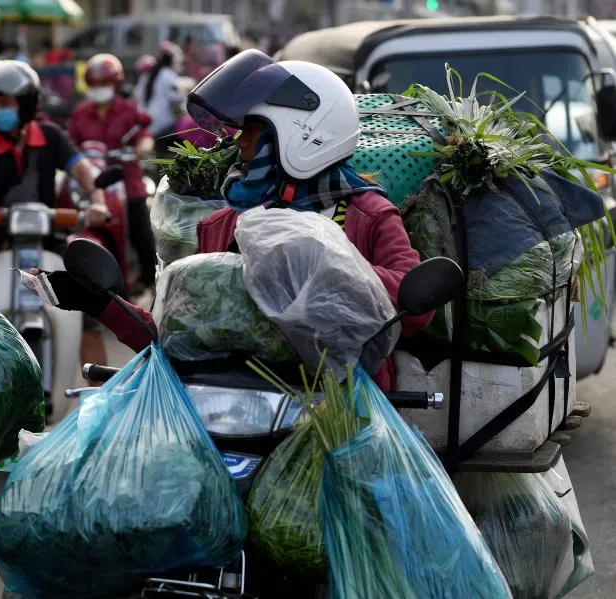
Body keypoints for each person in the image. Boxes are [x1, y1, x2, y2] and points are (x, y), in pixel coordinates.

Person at [37, 50, 432, 392]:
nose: (238, 142)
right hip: (231, 414)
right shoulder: (222, 225)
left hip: (344, 408)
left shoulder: (367, 214)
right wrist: (100, 302)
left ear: (305, 133)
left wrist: (318, 265)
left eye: (253, 129)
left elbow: (417, 310)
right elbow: (175, 333)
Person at [0, 60, 110, 367]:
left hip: (50, 240)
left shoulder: (51, 137)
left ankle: (100, 395)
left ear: (27, 103)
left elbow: (83, 171)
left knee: (91, 304)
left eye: (4, 102)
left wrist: (98, 201)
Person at [68, 54, 157, 289]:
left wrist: (139, 150)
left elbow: (145, 138)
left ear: (116, 84)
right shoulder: (80, 113)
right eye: (95, 84)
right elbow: (69, 146)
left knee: (141, 231)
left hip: (127, 182)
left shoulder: (129, 110)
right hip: (90, 185)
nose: (100, 89)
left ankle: (150, 282)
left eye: (105, 84)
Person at [140, 42, 188, 155]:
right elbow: (178, 99)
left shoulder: (153, 73)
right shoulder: (167, 75)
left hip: (150, 121)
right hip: (162, 124)